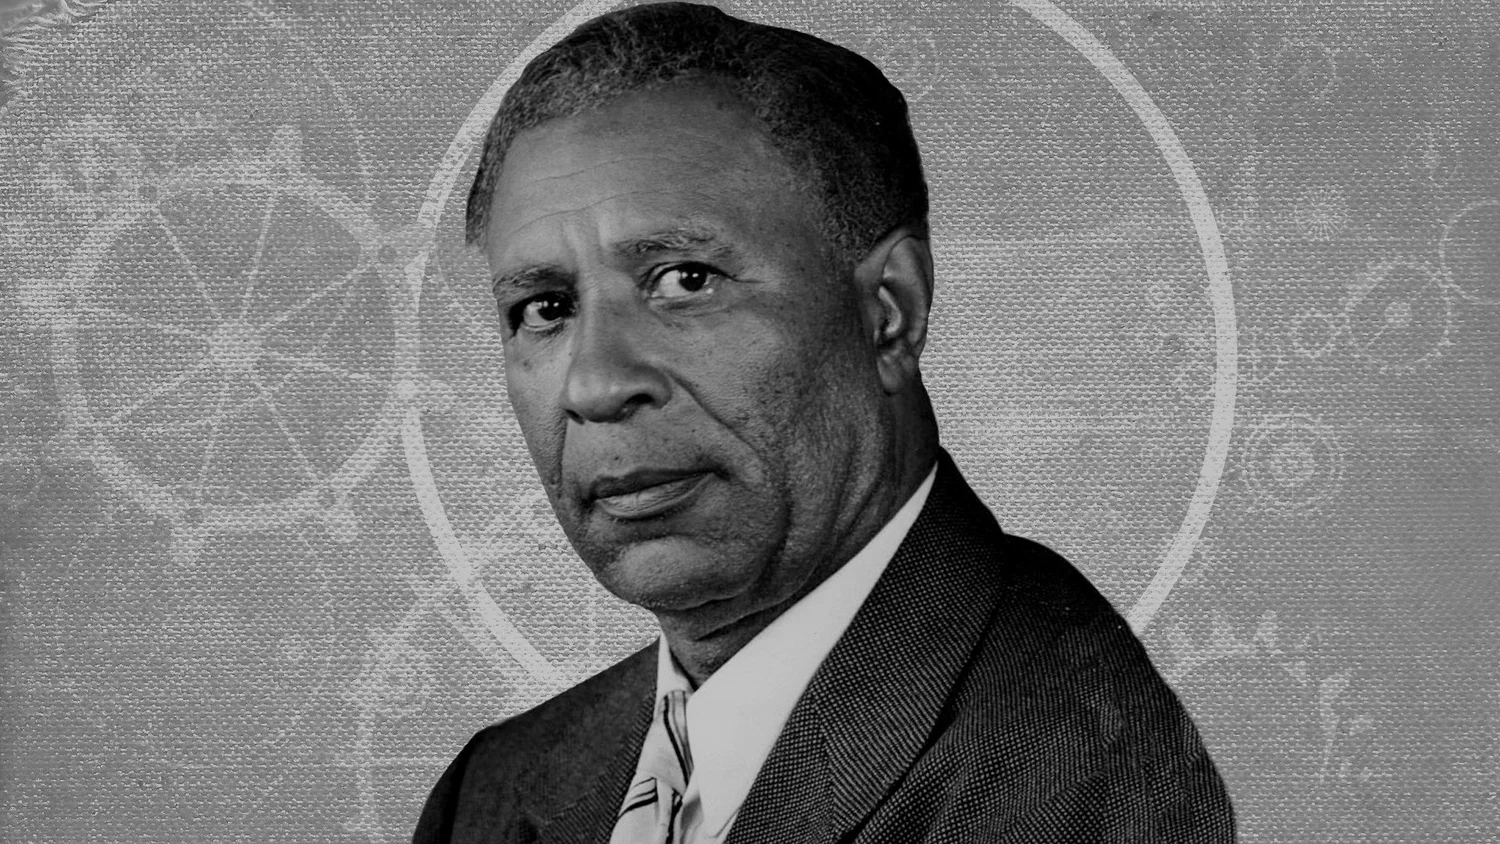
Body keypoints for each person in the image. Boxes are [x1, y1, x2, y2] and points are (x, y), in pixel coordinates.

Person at [414, 3, 1235, 842]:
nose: (595, 382)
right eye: (545, 307)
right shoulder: (491, 791)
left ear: (888, 314)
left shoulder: (1082, 773)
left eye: (686, 280)